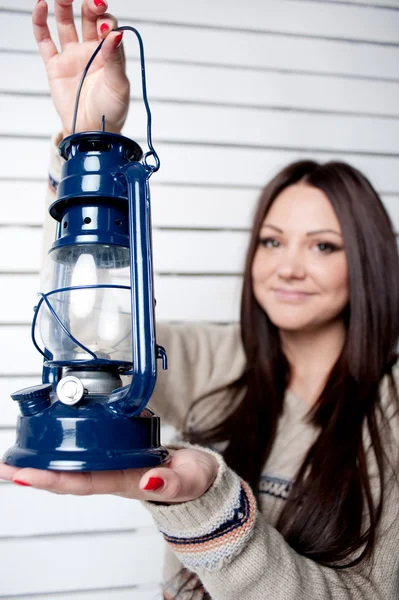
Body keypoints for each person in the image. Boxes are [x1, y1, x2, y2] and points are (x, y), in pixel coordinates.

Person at [1, 1, 399, 598]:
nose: (287, 266)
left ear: (367, 262)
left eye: (322, 246)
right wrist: (91, 137)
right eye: (271, 240)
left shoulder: (389, 414)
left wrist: (211, 508)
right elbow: (82, 300)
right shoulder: (209, 359)